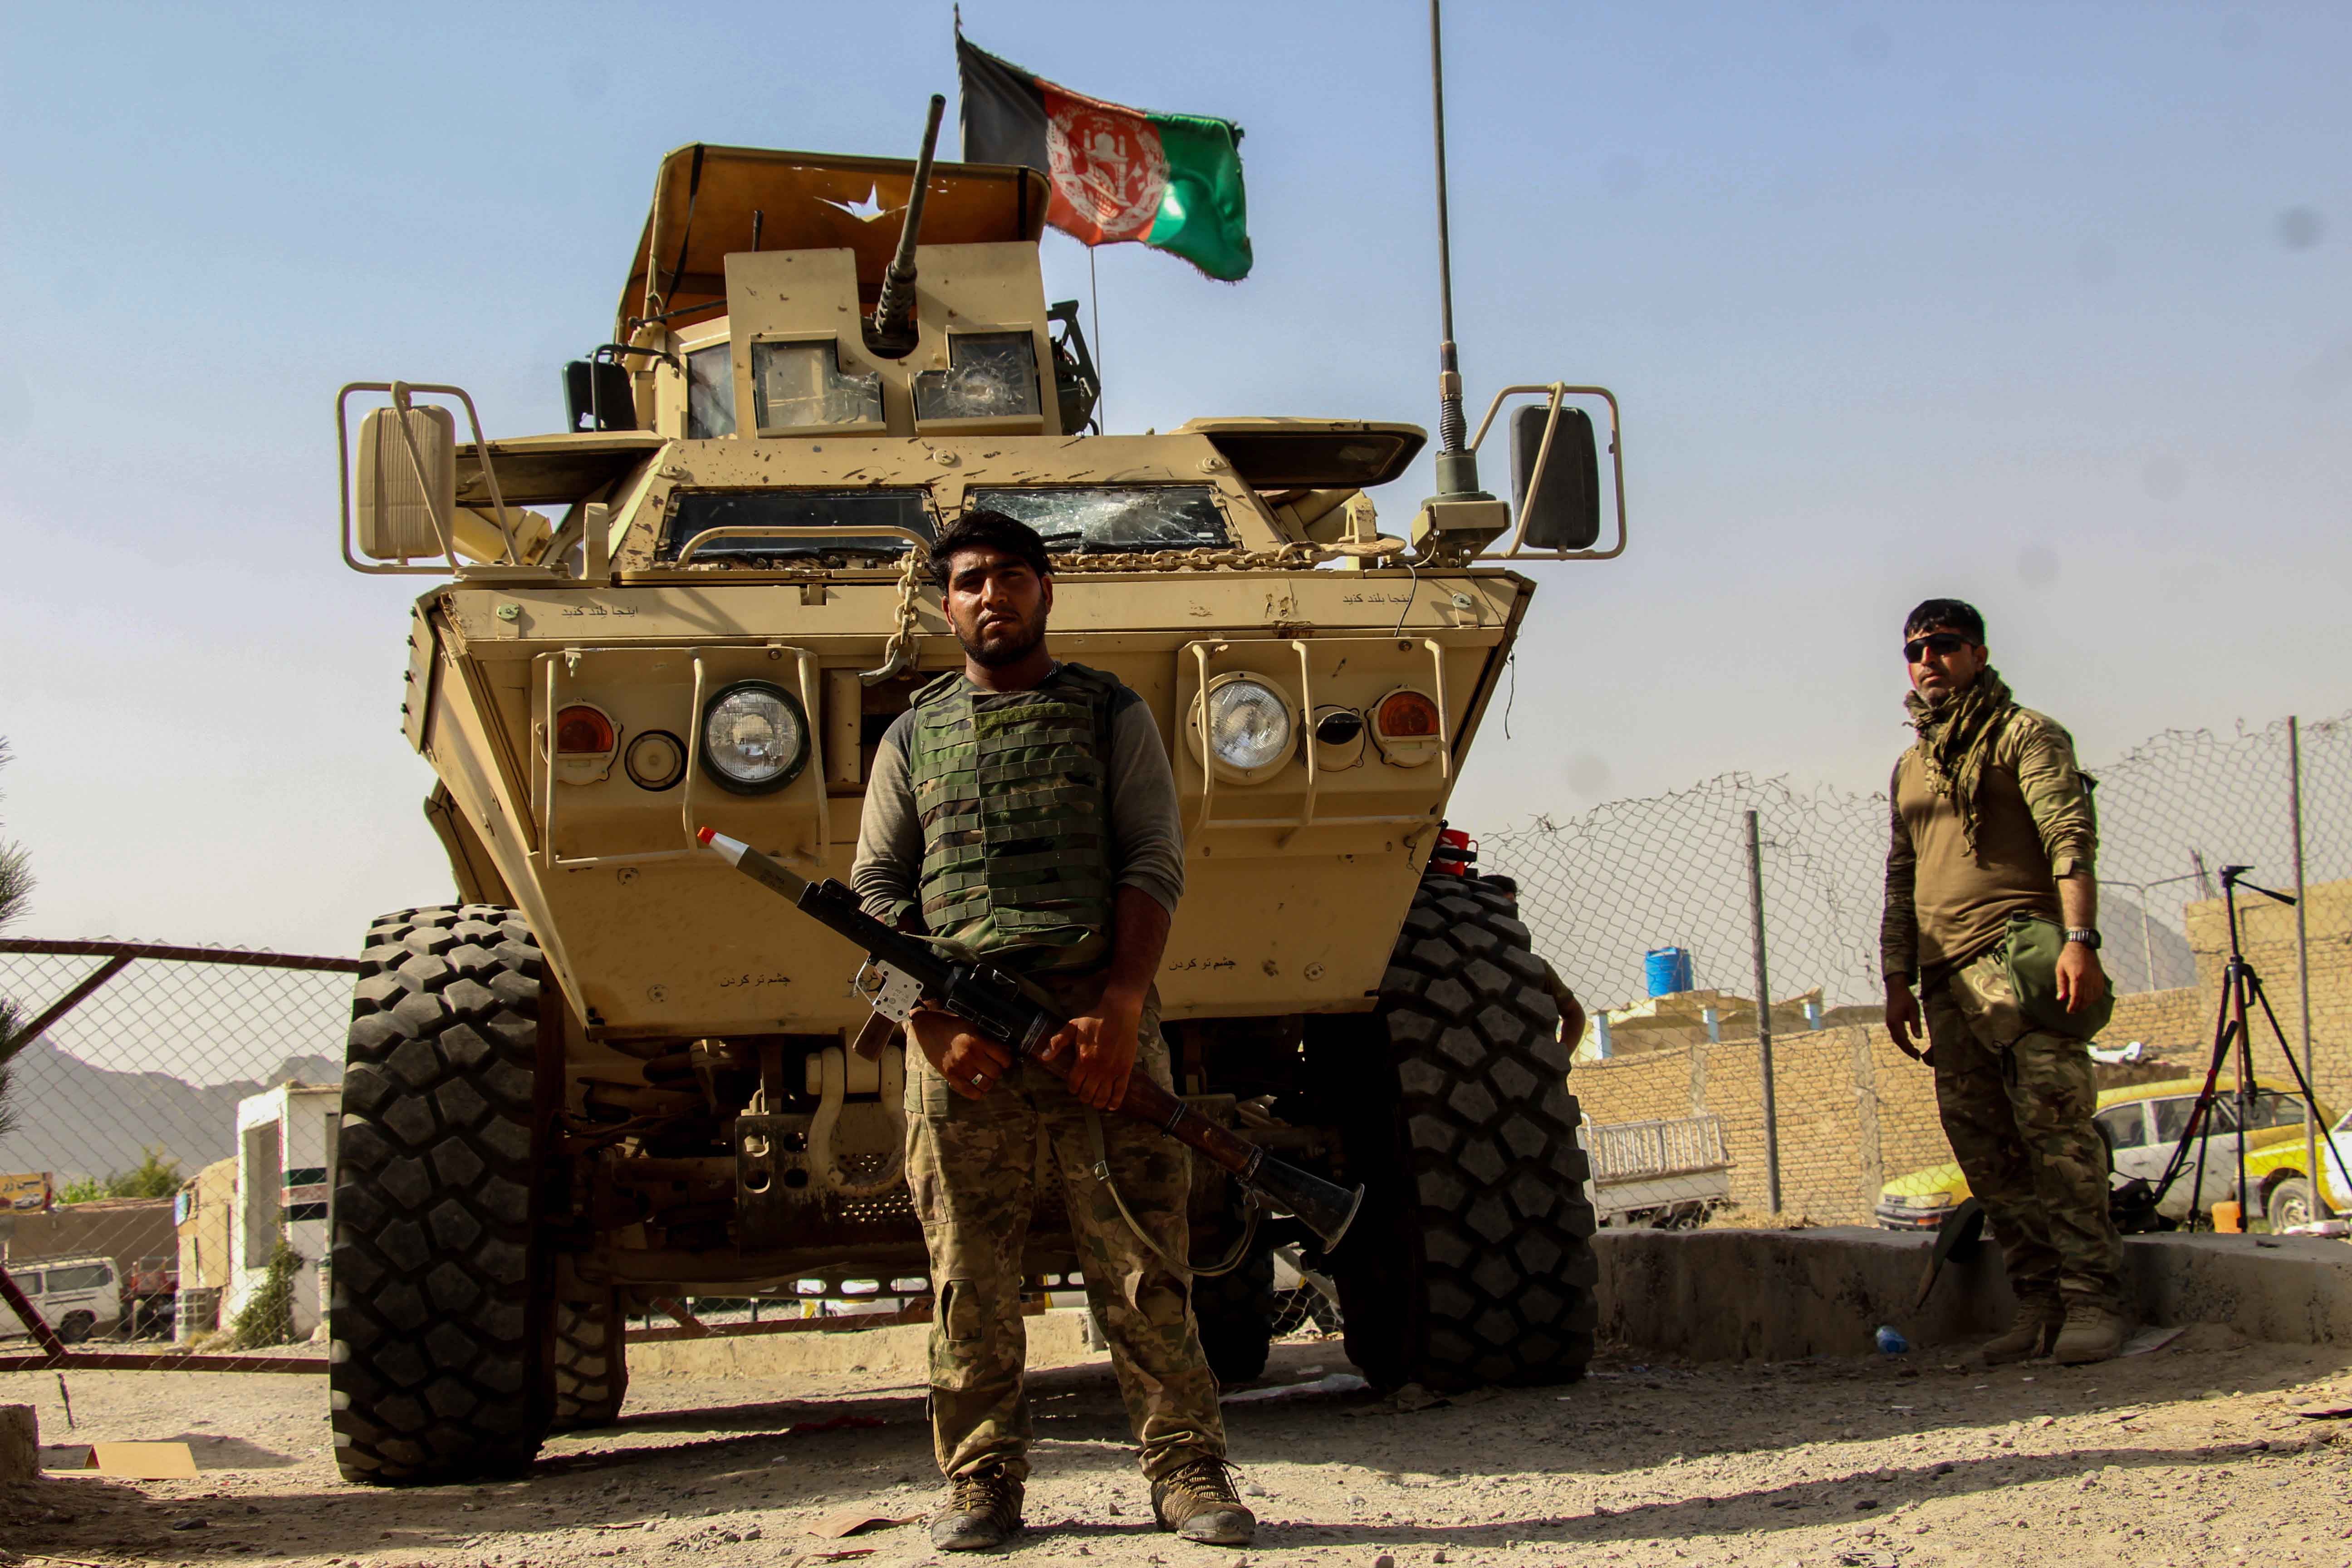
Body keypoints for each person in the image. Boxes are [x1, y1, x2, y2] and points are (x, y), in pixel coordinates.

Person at [851, 509, 1252, 1551]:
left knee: (1141, 1264)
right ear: (947, 606)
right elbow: (877, 892)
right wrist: (931, 1023)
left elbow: (1151, 862)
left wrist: (1119, 1008)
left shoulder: (1110, 714)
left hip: (1096, 1028)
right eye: (971, 581)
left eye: (1012, 577)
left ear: (1046, 592)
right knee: (968, 1281)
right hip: (963, 1046)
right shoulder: (910, 735)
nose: (993, 596)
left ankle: (1187, 1471)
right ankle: (980, 1483)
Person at [1880, 598, 2128, 1366]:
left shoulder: (2025, 735)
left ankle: (2095, 1302)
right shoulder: (1913, 765)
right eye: (1917, 648)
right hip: (1945, 977)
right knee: (1987, 1152)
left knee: (2056, 1137)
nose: (1929, 660)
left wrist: (2079, 940)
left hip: (2018, 960)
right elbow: (1901, 877)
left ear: (1979, 654)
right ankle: (2039, 1307)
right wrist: (1896, 979)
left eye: (1946, 645)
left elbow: (2069, 836)